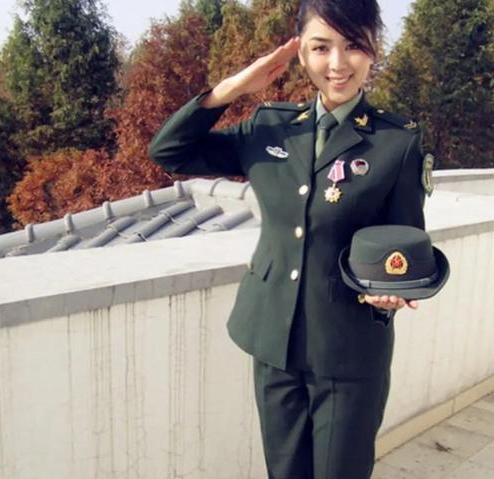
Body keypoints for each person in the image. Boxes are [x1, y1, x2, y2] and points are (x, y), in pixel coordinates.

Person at [149, 0, 431, 477]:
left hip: (349, 346)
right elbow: (170, 151)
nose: (337, 63)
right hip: (273, 342)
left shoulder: (396, 142)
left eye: (353, 45)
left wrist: (390, 293)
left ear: (373, 50)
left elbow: (403, 241)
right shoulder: (269, 127)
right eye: (321, 47)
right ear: (300, 53)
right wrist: (234, 88)